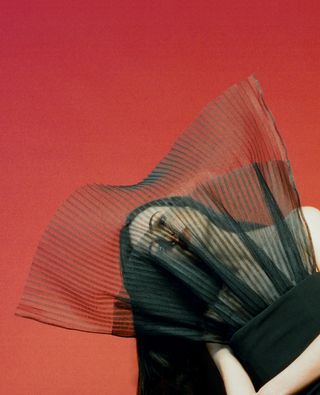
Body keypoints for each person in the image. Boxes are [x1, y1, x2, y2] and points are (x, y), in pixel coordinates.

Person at [16, 75, 320, 394]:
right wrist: (221, 348)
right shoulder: (213, 320)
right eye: (155, 248)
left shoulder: (305, 227)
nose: (169, 240)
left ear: (198, 209)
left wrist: (277, 389)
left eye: (163, 222)